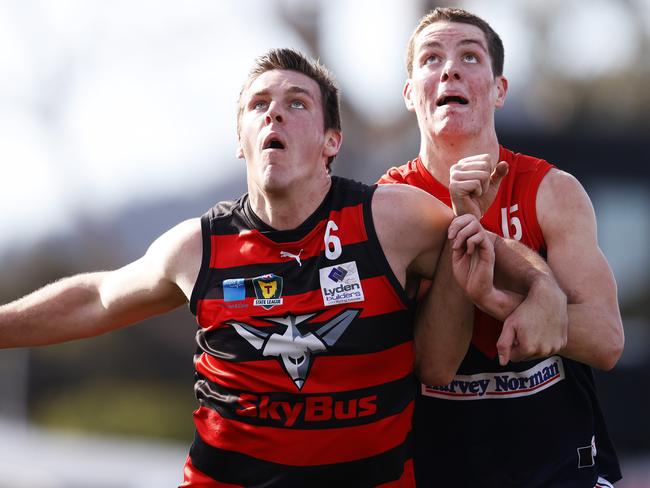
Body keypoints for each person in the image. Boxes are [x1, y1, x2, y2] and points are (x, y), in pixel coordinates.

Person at [0, 48, 564, 487]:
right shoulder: (200, 247)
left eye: (297, 103)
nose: (275, 111)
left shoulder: (389, 218)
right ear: (241, 142)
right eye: (258, 104)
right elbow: (96, 298)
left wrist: (542, 288)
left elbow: (482, 245)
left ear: (330, 141)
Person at [379, 7, 625, 487]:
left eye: (469, 56)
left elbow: (606, 340)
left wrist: (506, 302)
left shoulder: (552, 190)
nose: (449, 68)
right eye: (431, 58)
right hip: (440, 466)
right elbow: (433, 366)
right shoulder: (388, 204)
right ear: (410, 94)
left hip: (559, 468)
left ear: (499, 89)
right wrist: (532, 288)